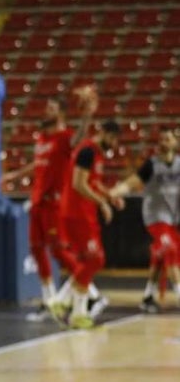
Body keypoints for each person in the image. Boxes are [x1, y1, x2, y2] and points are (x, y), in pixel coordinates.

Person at [1, 92, 96, 318]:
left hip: (54, 204)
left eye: (51, 108)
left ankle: (91, 292)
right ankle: (49, 299)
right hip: (37, 203)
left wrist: (86, 117)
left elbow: (79, 138)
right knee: (36, 249)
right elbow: (38, 164)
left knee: (59, 251)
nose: (46, 111)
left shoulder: (65, 137)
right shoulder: (43, 138)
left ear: (61, 113)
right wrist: (15, 175)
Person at [52, 120, 122, 329]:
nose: (115, 144)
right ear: (103, 132)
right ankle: (60, 300)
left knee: (88, 262)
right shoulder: (88, 152)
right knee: (95, 259)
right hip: (76, 212)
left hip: (83, 213)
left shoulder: (95, 153)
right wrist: (102, 203)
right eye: (113, 139)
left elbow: (93, 181)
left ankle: (78, 314)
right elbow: (78, 184)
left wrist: (109, 196)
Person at [109, 127, 180, 312]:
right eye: (161, 139)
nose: (163, 142)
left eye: (168, 139)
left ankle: (148, 296)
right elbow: (131, 183)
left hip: (173, 218)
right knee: (170, 250)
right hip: (155, 217)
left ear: (175, 143)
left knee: (159, 257)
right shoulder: (151, 165)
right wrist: (113, 193)